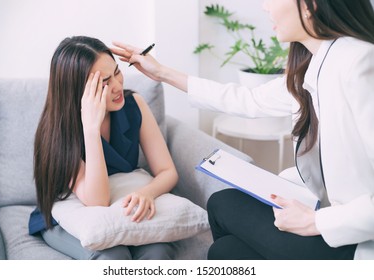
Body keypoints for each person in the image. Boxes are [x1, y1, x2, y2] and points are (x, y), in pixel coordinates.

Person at [111, 0, 374, 259]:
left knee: (222, 207)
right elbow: (247, 99)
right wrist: (162, 73)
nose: (264, 6)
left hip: (356, 238)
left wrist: (315, 222)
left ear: (310, 4)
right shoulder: (315, 64)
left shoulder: (360, 63)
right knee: (223, 250)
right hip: (328, 214)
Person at [29, 36, 178, 260]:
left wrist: (146, 193)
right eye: (104, 82)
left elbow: (168, 171)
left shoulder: (133, 104)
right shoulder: (59, 130)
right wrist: (91, 129)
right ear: (78, 91)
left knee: (158, 251)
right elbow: (96, 200)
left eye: (117, 72)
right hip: (69, 211)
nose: (118, 86)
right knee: (113, 257)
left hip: (122, 203)